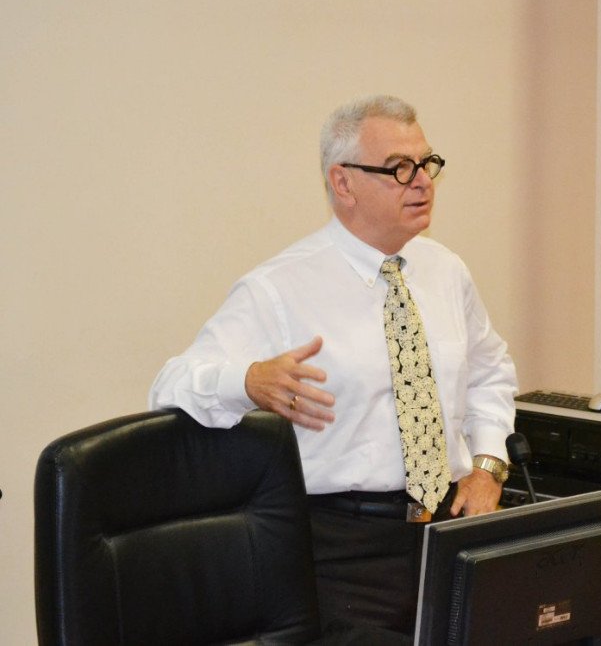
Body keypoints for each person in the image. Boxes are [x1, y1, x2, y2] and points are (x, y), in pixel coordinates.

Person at [149, 94, 518, 636]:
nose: (423, 182)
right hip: (343, 551)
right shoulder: (279, 287)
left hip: (448, 531)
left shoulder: (445, 271)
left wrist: (488, 467)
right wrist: (248, 381)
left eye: (427, 163)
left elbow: (490, 371)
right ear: (343, 183)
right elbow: (169, 385)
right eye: (400, 168)